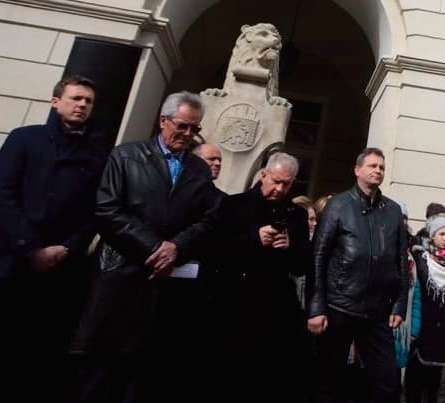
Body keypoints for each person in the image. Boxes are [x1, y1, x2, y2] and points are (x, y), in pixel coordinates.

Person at [70, 91, 222, 403]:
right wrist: (154, 247)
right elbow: (107, 209)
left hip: (166, 284)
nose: (187, 134)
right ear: (163, 121)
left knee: (144, 371)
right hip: (119, 273)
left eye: (195, 129)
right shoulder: (125, 156)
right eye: (182, 126)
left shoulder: (199, 170)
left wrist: (176, 247)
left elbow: (208, 220)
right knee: (99, 368)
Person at [0, 75, 108, 403]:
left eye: (88, 101)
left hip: (55, 272)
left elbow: (95, 212)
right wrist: (29, 248)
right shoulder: (24, 139)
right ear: (55, 101)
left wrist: (67, 248)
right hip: (5, 264)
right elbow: (1, 195)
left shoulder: (96, 156)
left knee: (28, 361)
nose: (82, 105)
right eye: (76, 98)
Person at [201, 152, 309, 402]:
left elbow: (303, 264)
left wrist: (290, 247)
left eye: (287, 184)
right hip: (233, 304)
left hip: (274, 308)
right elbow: (214, 250)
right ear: (264, 175)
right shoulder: (234, 205)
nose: (280, 189)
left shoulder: (296, 215)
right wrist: (253, 239)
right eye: (276, 181)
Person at [307, 147, 408, 403]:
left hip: (377, 310)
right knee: (327, 379)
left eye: (382, 167)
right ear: (357, 170)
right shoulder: (338, 206)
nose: (378, 171)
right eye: (372, 165)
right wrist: (316, 307)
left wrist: (399, 303)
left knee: (387, 381)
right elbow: (318, 257)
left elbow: (400, 260)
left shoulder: (393, 211)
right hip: (339, 306)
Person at [406, 216, 445, 403]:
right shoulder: (420, 257)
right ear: (432, 235)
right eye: (442, 234)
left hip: (442, 327)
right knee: (414, 377)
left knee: (433, 381)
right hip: (421, 322)